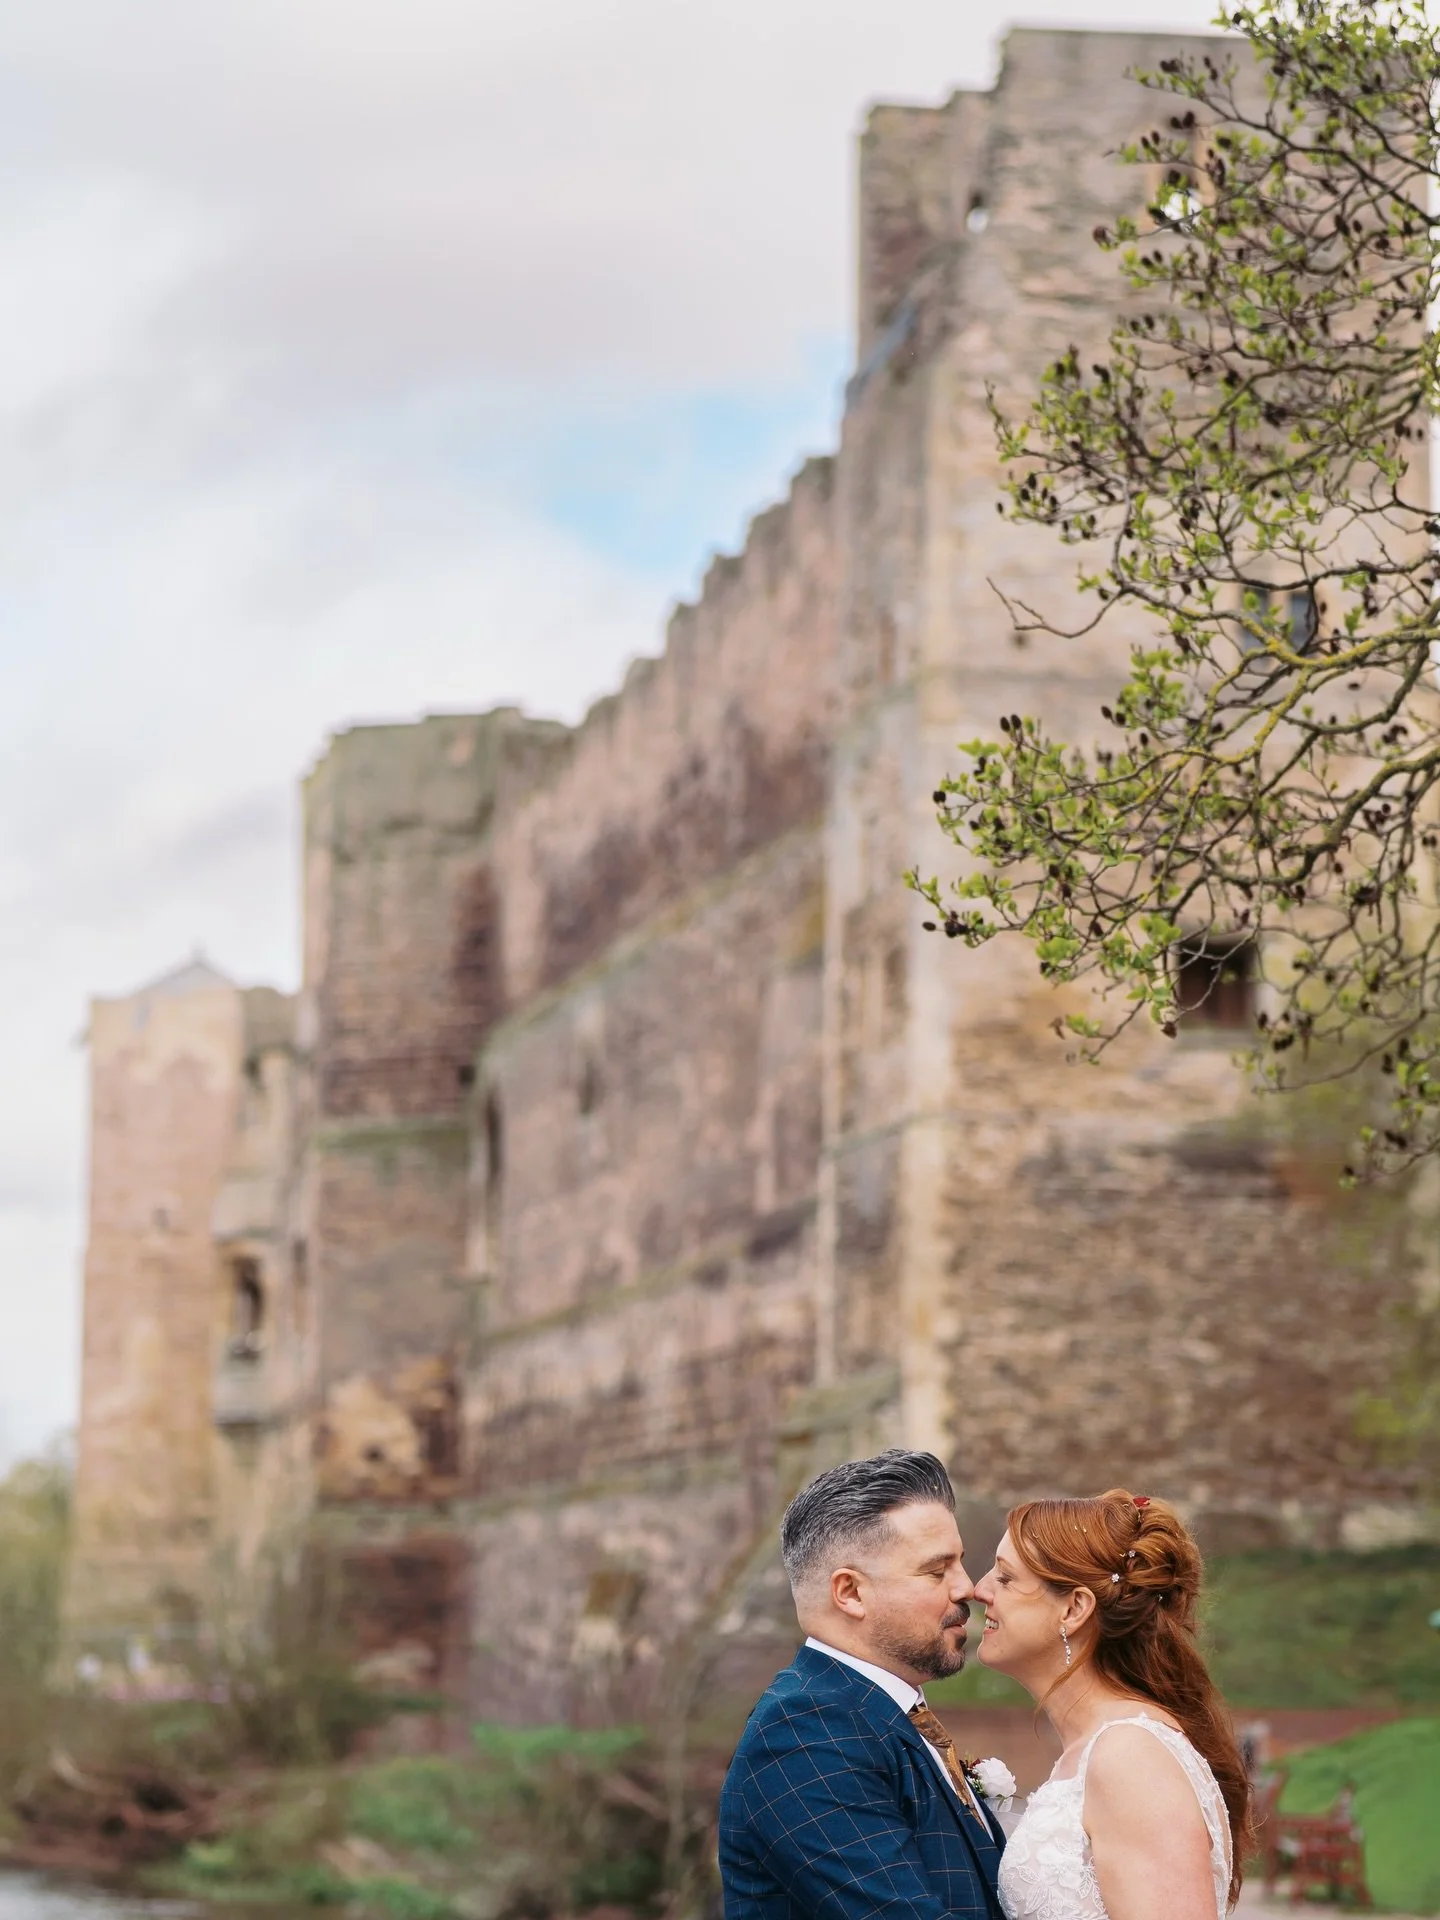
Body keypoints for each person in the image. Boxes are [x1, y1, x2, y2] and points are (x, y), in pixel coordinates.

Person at [719, 1450, 1003, 1920]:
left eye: (960, 1564)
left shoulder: (875, 1714)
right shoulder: (805, 1730)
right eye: (938, 1570)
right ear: (850, 1593)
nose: (966, 1588)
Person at [972, 1489, 1251, 1920]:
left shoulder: (1130, 1758)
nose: (979, 1589)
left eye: (1006, 1578)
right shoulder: (1100, 1748)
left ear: (1074, 1608)